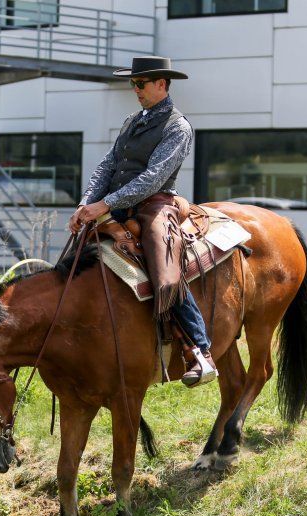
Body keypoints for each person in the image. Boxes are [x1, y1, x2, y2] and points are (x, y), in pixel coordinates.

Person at [69, 55, 216, 387]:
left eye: (140, 83)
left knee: (165, 272)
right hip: (116, 204)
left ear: (161, 85)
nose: (135, 89)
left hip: (155, 205)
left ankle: (200, 353)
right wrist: (87, 204)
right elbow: (107, 166)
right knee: (75, 256)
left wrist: (105, 203)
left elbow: (152, 179)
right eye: (132, 83)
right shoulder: (132, 120)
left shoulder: (178, 127)